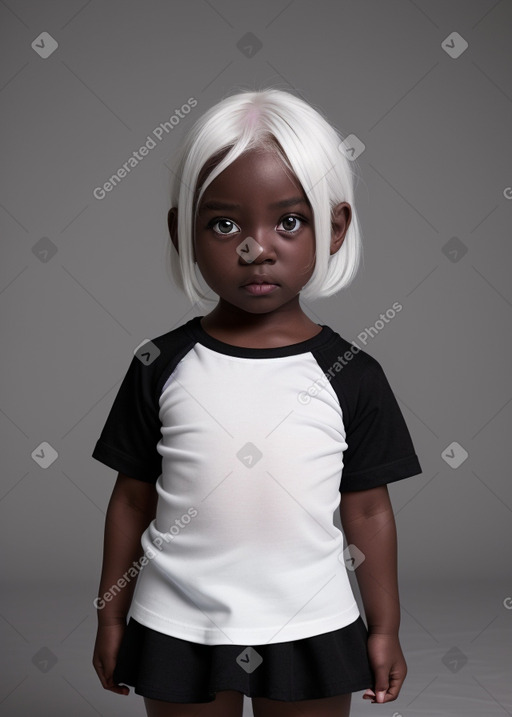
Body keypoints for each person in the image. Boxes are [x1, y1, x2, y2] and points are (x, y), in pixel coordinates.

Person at [92, 87, 423, 717]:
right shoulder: (159, 365)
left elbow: (370, 513)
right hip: (178, 625)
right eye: (224, 223)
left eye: (289, 221)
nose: (256, 247)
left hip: (312, 622)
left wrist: (383, 629)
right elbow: (131, 498)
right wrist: (111, 621)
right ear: (182, 231)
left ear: (334, 228)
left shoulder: (352, 374)